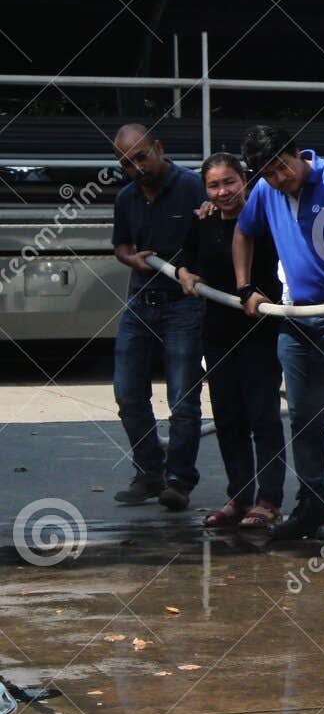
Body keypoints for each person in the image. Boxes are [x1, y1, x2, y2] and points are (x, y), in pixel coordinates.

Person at [235, 125, 324, 546]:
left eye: (282, 167)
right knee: (302, 415)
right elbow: (243, 231)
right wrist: (245, 287)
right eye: (268, 173)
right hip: (296, 318)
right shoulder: (265, 191)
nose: (279, 178)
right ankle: (312, 501)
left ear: (297, 153)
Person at [174, 152, 287, 530]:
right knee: (227, 418)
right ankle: (239, 496)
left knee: (263, 417)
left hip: (260, 332)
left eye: (229, 182)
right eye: (214, 186)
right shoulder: (203, 222)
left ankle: (269, 500)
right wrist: (184, 272)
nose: (222, 192)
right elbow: (185, 258)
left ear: (245, 181)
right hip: (218, 334)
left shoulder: (264, 219)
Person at [108, 123, 206, 511]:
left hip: (184, 303)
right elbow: (121, 245)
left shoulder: (193, 186)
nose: (137, 168)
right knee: (128, 392)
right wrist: (131, 259)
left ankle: (179, 481)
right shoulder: (127, 197)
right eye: (126, 163)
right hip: (140, 301)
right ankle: (150, 471)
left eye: (142, 157)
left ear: (159, 148)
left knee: (183, 397)